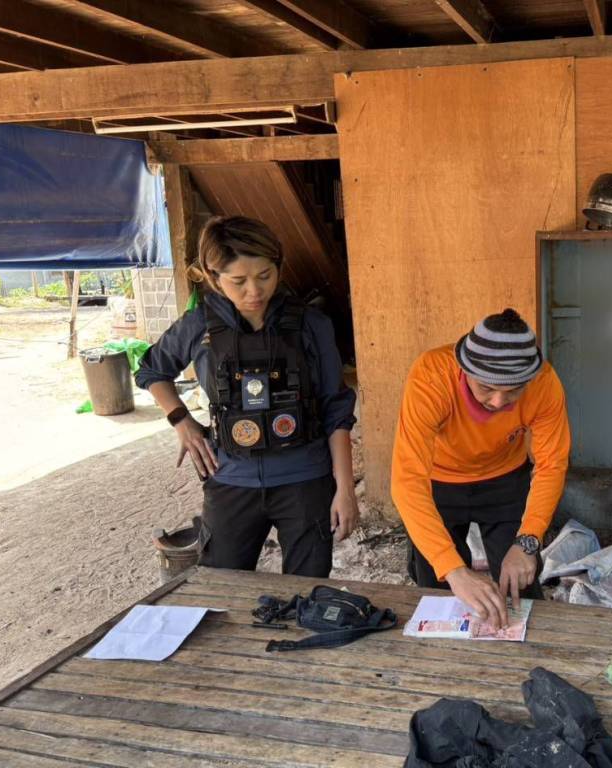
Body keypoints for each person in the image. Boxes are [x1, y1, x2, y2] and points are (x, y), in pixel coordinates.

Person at [135, 215, 358, 577]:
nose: (254, 291)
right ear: (213, 277)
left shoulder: (311, 324)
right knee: (222, 585)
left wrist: (345, 489)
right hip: (231, 479)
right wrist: (182, 421)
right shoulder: (199, 324)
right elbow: (151, 371)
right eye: (238, 281)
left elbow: (336, 409)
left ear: (278, 266)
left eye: (265, 275)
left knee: (305, 589)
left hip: (305, 479)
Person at [392, 309, 571, 629]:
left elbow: (551, 464)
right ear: (464, 370)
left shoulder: (544, 382)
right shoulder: (431, 376)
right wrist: (454, 570)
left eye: (513, 390)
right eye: (487, 388)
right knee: (439, 587)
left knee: (520, 585)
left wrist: (528, 540)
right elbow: (407, 480)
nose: (499, 401)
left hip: (506, 480)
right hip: (439, 482)